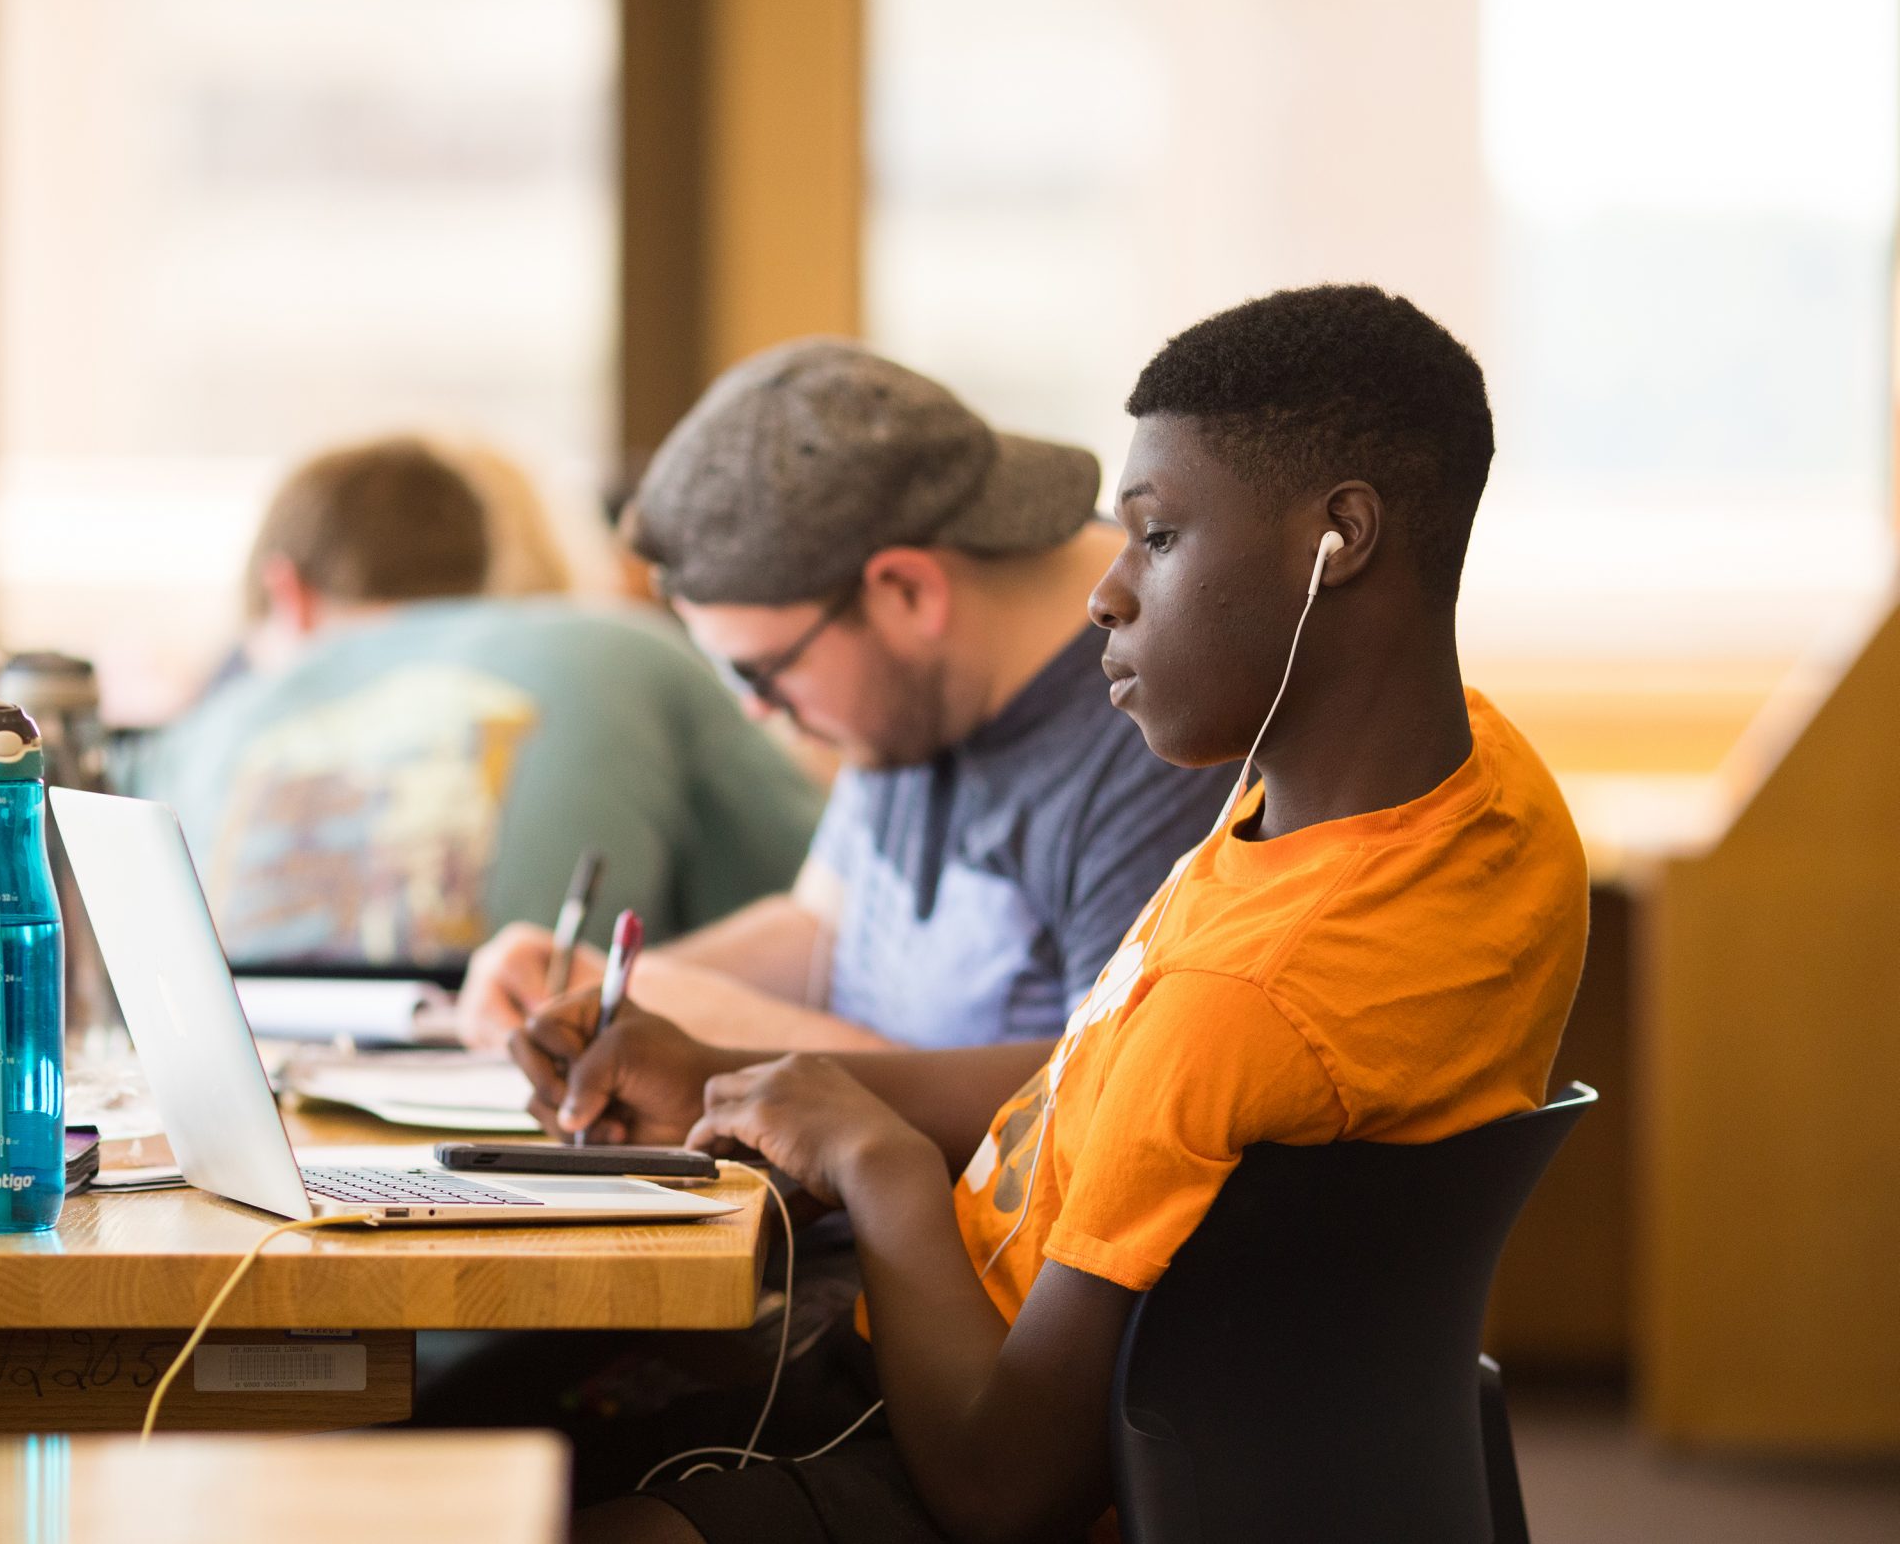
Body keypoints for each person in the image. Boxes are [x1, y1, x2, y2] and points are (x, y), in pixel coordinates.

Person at [511, 286, 1590, 1543]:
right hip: (1105, 1398)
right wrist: (742, 1079)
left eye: (1158, 538)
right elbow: (1106, 1081)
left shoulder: (1243, 1002)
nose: (1104, 594)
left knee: (485, 1464)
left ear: (1334, 540)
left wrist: (877, 1159)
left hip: (969, 1442)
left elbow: (1000, 1487)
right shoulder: (1484, 803)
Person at [459, 340, 1233, 1053]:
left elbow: (1083, 1113)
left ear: (905, 591)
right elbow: (824, 930)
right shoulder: (918, 689)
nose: (757, 708)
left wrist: (704, 1030)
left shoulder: (1169, 735)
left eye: (763, 671)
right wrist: (598, 990)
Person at [110, 436, 823, 965]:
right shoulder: (629, 647)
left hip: (257, 1107)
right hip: (533, 1101)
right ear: (485, 569)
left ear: (286, 594)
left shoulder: (210, 727)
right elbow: (825, 902)